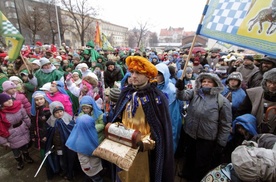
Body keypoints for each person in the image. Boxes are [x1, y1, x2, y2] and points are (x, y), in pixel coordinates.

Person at [111, 56, 174, 182]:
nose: (133, 76)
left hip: (144, 152)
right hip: (123, 145)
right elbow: (117, 118)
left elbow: (160, 130)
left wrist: (145, 142)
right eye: (132, 72)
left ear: (148, 76)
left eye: (138, 73)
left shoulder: (157, 97)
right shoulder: (126, 93)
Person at [175, 72, 232, 182]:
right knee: (190, 155)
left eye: (209, 82)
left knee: (202, 161)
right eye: (204, 81)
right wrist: (180, 88)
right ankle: (187, 173)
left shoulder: (222, 101)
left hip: (207, 138)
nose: (206, 83)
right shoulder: (195, 93)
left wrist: (221, 142)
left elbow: (225, 124)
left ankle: (197, 178)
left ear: (215, 84)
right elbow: (181, 96)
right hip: (190, 133)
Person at [236, 68, 276, 134]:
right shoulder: (254, 93)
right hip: (252, 131)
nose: (272, 86)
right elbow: (242, 111)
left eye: (275, 83)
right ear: (265, 81)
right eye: (270, 82)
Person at [0, 93, 33, 170]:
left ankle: (27, 157)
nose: (9, 101)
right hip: (11, 134)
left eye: (9, 99)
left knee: (25, 146)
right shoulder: (1, 114)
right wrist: (3, 141)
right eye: (6, 101)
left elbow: (25, 117)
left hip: (23, 129)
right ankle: (20, 162)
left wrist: (30, 126)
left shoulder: (19, 107)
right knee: (15, 150)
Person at [66, 114, 104, 182]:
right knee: (96, 178)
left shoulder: (86, 133)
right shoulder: (81, 142)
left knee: (89, 177)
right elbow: (82, 157)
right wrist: (86, 168)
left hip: (94, 163)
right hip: (90, 167)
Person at [156, 63, 183, 154]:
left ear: (165, 75)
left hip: (167, 123)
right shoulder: (153, 87)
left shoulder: (171, 90)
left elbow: (173, 118)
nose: (155, 77)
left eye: (159, 74)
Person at [45, 101, 76, 180]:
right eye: (57, 112)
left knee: (70, 159)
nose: (59, 114)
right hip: (58, 147)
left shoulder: (68, 118)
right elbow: (50, 134)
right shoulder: (51, 121)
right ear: (52, 113)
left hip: (68, 145)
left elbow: (72, 130)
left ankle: (71, 171)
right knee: (61, 160)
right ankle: (64, 170)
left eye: (61, 111)